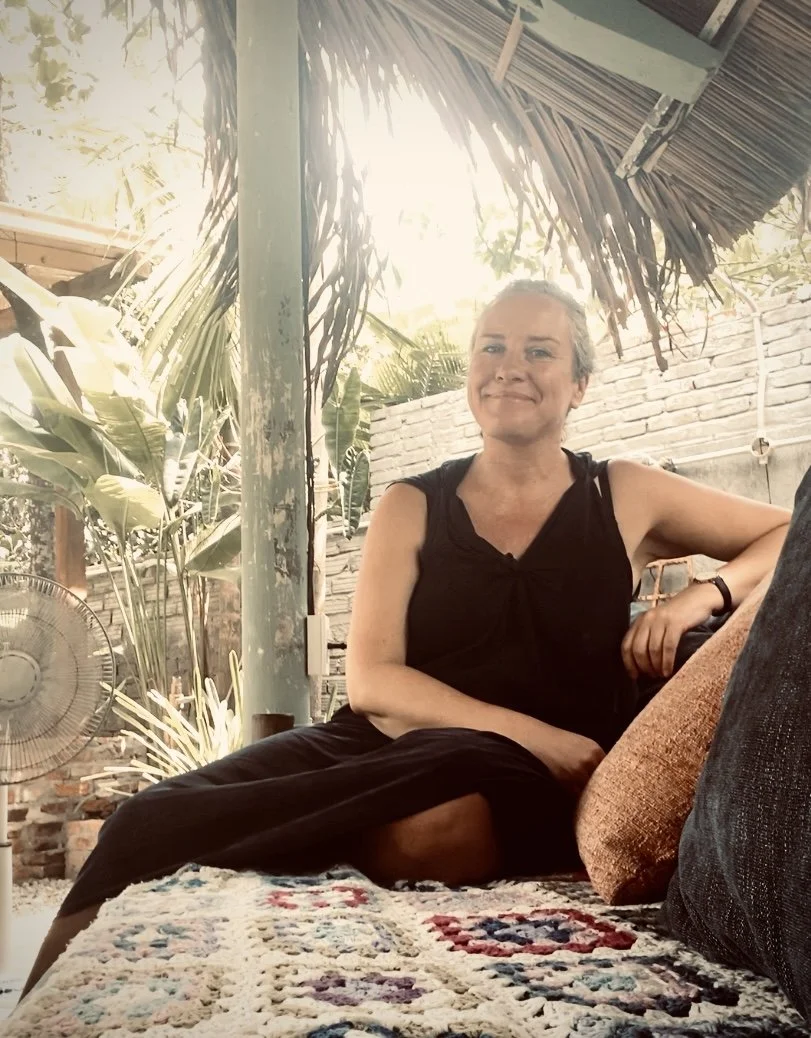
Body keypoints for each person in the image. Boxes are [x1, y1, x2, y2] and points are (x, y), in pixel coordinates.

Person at [20, 280, 790, 1000]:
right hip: (397, 742)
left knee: (444, 818)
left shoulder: (621, 491)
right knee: (142, 819)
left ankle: (305, 840)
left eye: (538, 350)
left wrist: (700, 594)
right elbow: (374, 683)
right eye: (491, 347)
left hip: (513, 775)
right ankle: (34, 1013)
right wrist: (541, 737)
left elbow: (788, 531)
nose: (508, 368)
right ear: (468, 371)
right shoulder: (410, 504)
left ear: (578, 384)